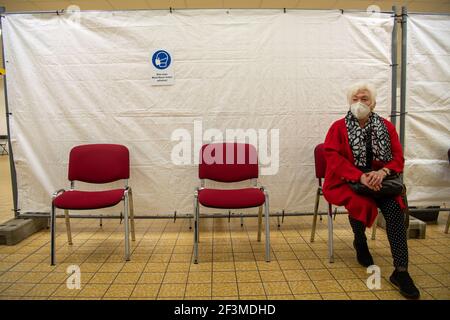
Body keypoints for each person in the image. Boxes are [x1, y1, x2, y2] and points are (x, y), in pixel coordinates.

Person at [322, 82, 420, 299]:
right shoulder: (338, 127)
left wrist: (382, 172)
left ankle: (401, 271)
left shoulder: (386, 126)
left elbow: (397, 158)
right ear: (349, 102)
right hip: (349, 181)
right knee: (360, 203)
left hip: (381, 182)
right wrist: (360, 176)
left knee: (395, 211)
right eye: (355, 99)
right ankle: (360, 240)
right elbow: (332, 156)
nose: (359, 103)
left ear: (373, 102)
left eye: (364, 99)